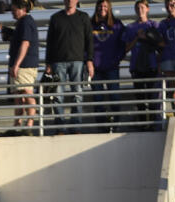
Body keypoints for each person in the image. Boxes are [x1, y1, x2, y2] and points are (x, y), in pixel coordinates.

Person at [45, 0, 95, 130]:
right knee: (57, 95)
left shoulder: (83, 17)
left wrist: (89, 60)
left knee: (77, 94)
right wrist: (48, 64)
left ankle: (76, 125)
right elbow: (50, 42)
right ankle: (60, 126)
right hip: (58, 62)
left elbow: (89, 40)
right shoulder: (55, 18)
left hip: (77, 61)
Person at [123, 0, 161, 128]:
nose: (140, 10)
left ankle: (154, 123)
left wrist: (147, 37)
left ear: (147, 9)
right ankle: (143, 124)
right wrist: (137, 38)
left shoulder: (153, 25)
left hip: (152, 65)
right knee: (140, 97)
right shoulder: (130, 27)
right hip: (137, 66)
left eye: (142, 7)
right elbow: (126, 48)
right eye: (138, 8)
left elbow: (160, 45)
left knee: (152, 97)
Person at [91, 0, 126, 129]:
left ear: (109, 8)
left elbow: (123, 44)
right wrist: (89, 60)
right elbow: (84, 45)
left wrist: (116, 59)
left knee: (115, 97)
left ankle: (116, 124)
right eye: (100, 6)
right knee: (98, 98)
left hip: (112, 67)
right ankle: (101, 126)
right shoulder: (90, 24)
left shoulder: (117, 24)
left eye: (105, 6)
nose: (102, 8)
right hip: (96, 69)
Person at [8, 0, 40, 130]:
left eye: (14, 9)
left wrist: (16, 64)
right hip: (21, 64)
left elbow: (25, 44)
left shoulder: (26, 22)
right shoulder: (22, 22)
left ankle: (30, 124)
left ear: (22, 9)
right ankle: (18, 124)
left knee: (27, 93)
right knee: (19, 96)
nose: (12, 12)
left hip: (25, 65)